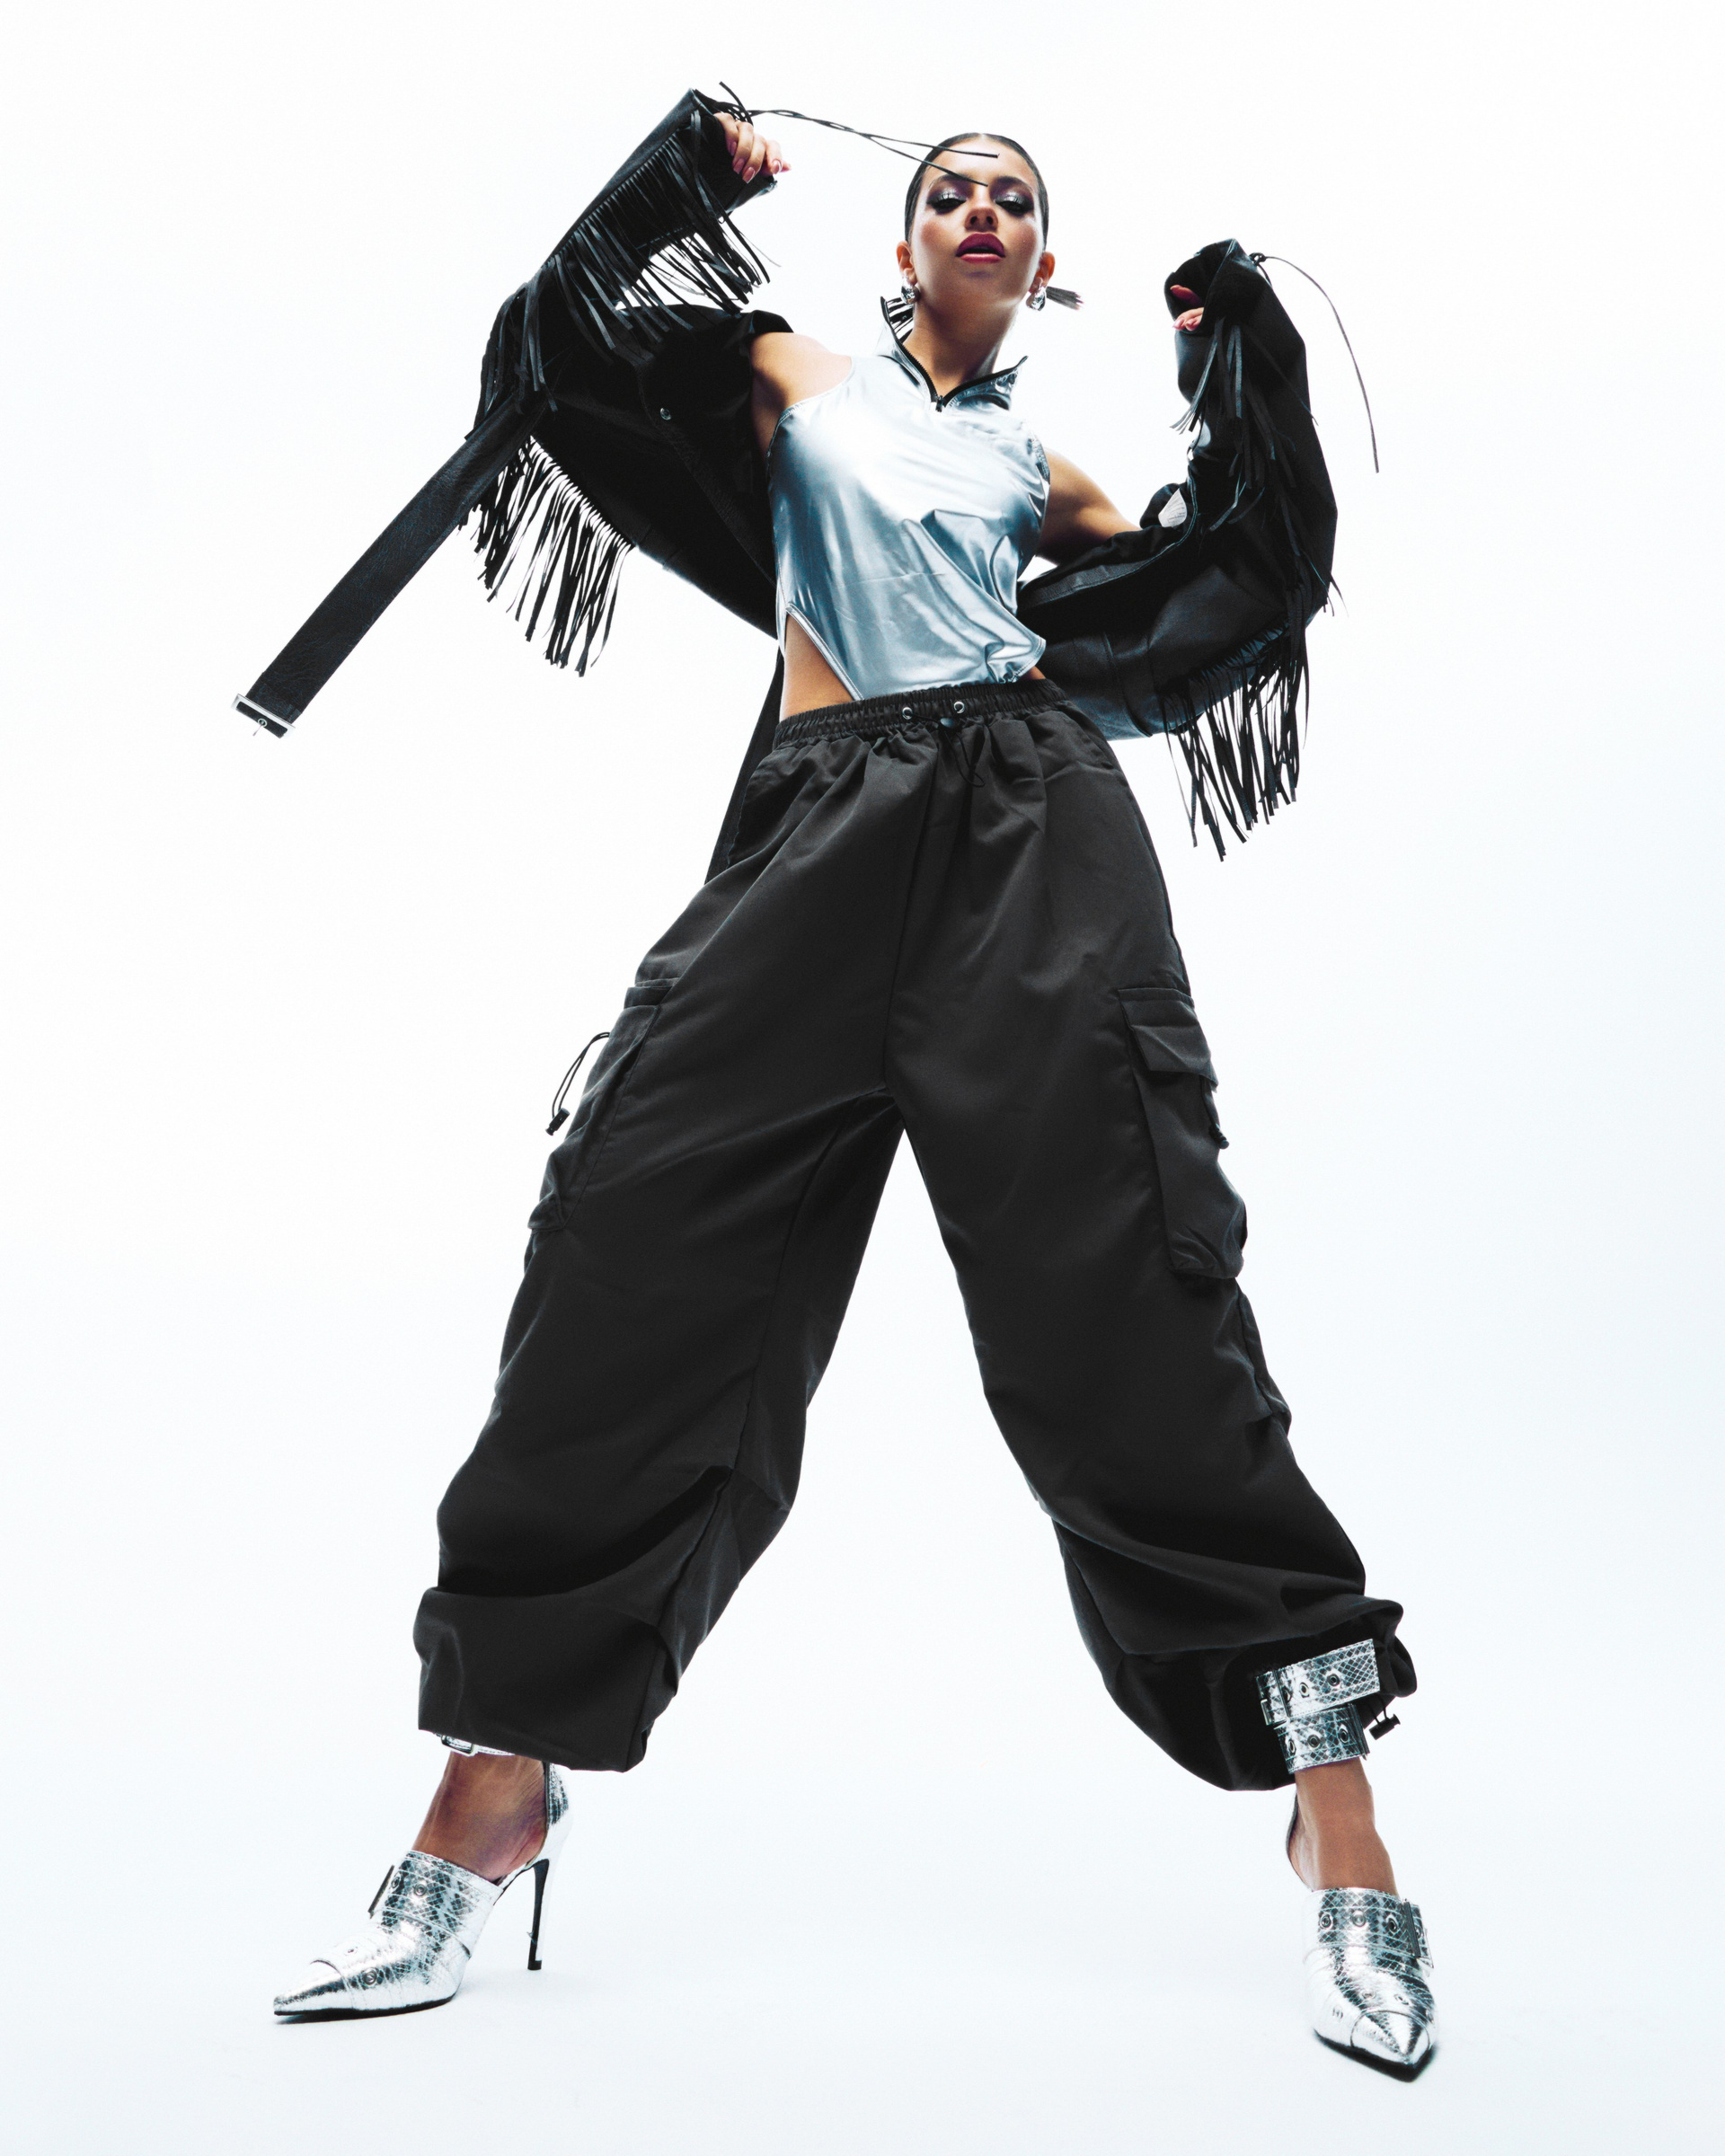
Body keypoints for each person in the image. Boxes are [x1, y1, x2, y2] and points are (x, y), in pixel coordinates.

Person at [261, 91, 1435, 2074]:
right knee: (629, 1259)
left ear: (1043, 267)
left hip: (1029, 846)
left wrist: (1246, 352)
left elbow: (1255, 573)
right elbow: (552, 344)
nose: (980, 208)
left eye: (1016, 199)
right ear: (902, 247)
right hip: (816, 828)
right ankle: (498, 1782)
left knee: (1133, 1297)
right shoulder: (792, 376)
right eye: (949, 190)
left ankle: (1341, 1822)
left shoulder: (1047, 473)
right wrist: (678, 183)